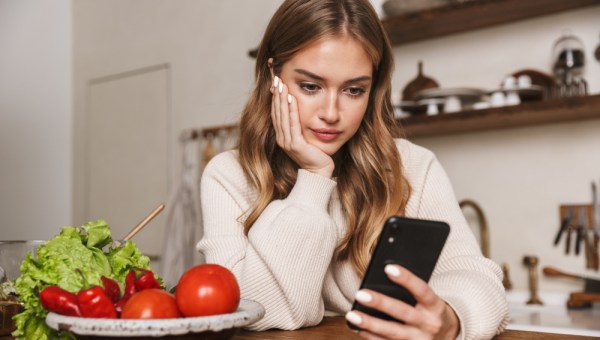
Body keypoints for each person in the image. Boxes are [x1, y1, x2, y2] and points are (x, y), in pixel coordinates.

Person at [196, 0, 509, 339]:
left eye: (353, 90)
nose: (331, 112)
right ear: (272, 76)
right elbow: (262, 310)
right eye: (310, 86)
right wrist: (314, 177)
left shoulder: (412, 166)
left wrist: (452, 322)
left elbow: (478, 282)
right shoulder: (228, 175)